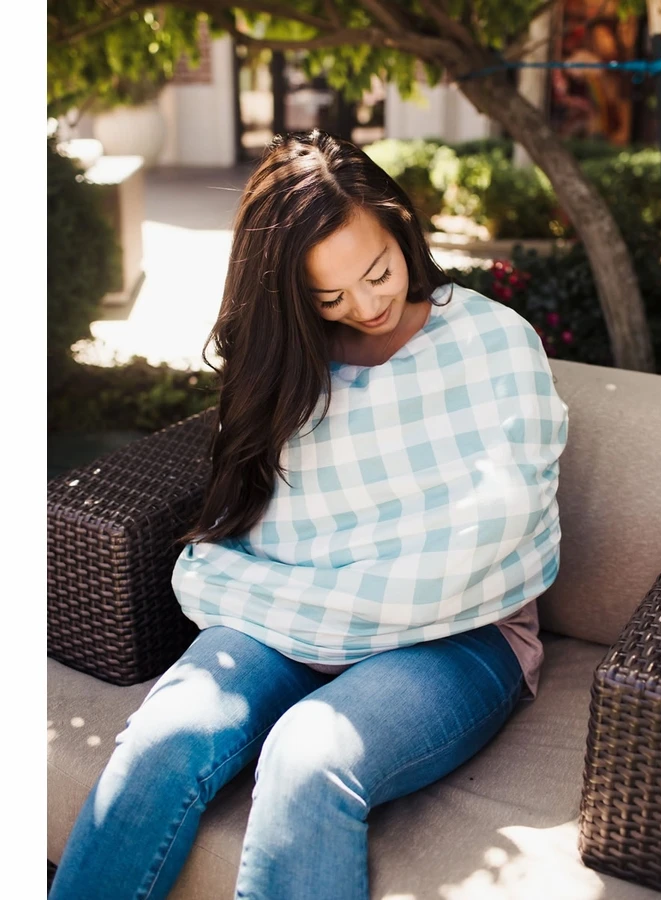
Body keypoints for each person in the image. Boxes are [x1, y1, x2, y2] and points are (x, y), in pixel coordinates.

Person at [49, 129, 569, 900]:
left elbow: (503, 515)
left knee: (308, 755)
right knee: (161, 743)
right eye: (330, 297)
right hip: (288, 611)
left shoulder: (492, 340)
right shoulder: (289, 358)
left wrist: (345, 607)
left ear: (401, 228)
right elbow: (267, 512)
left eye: (378, 271)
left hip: (459, 630)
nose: (367, 305)